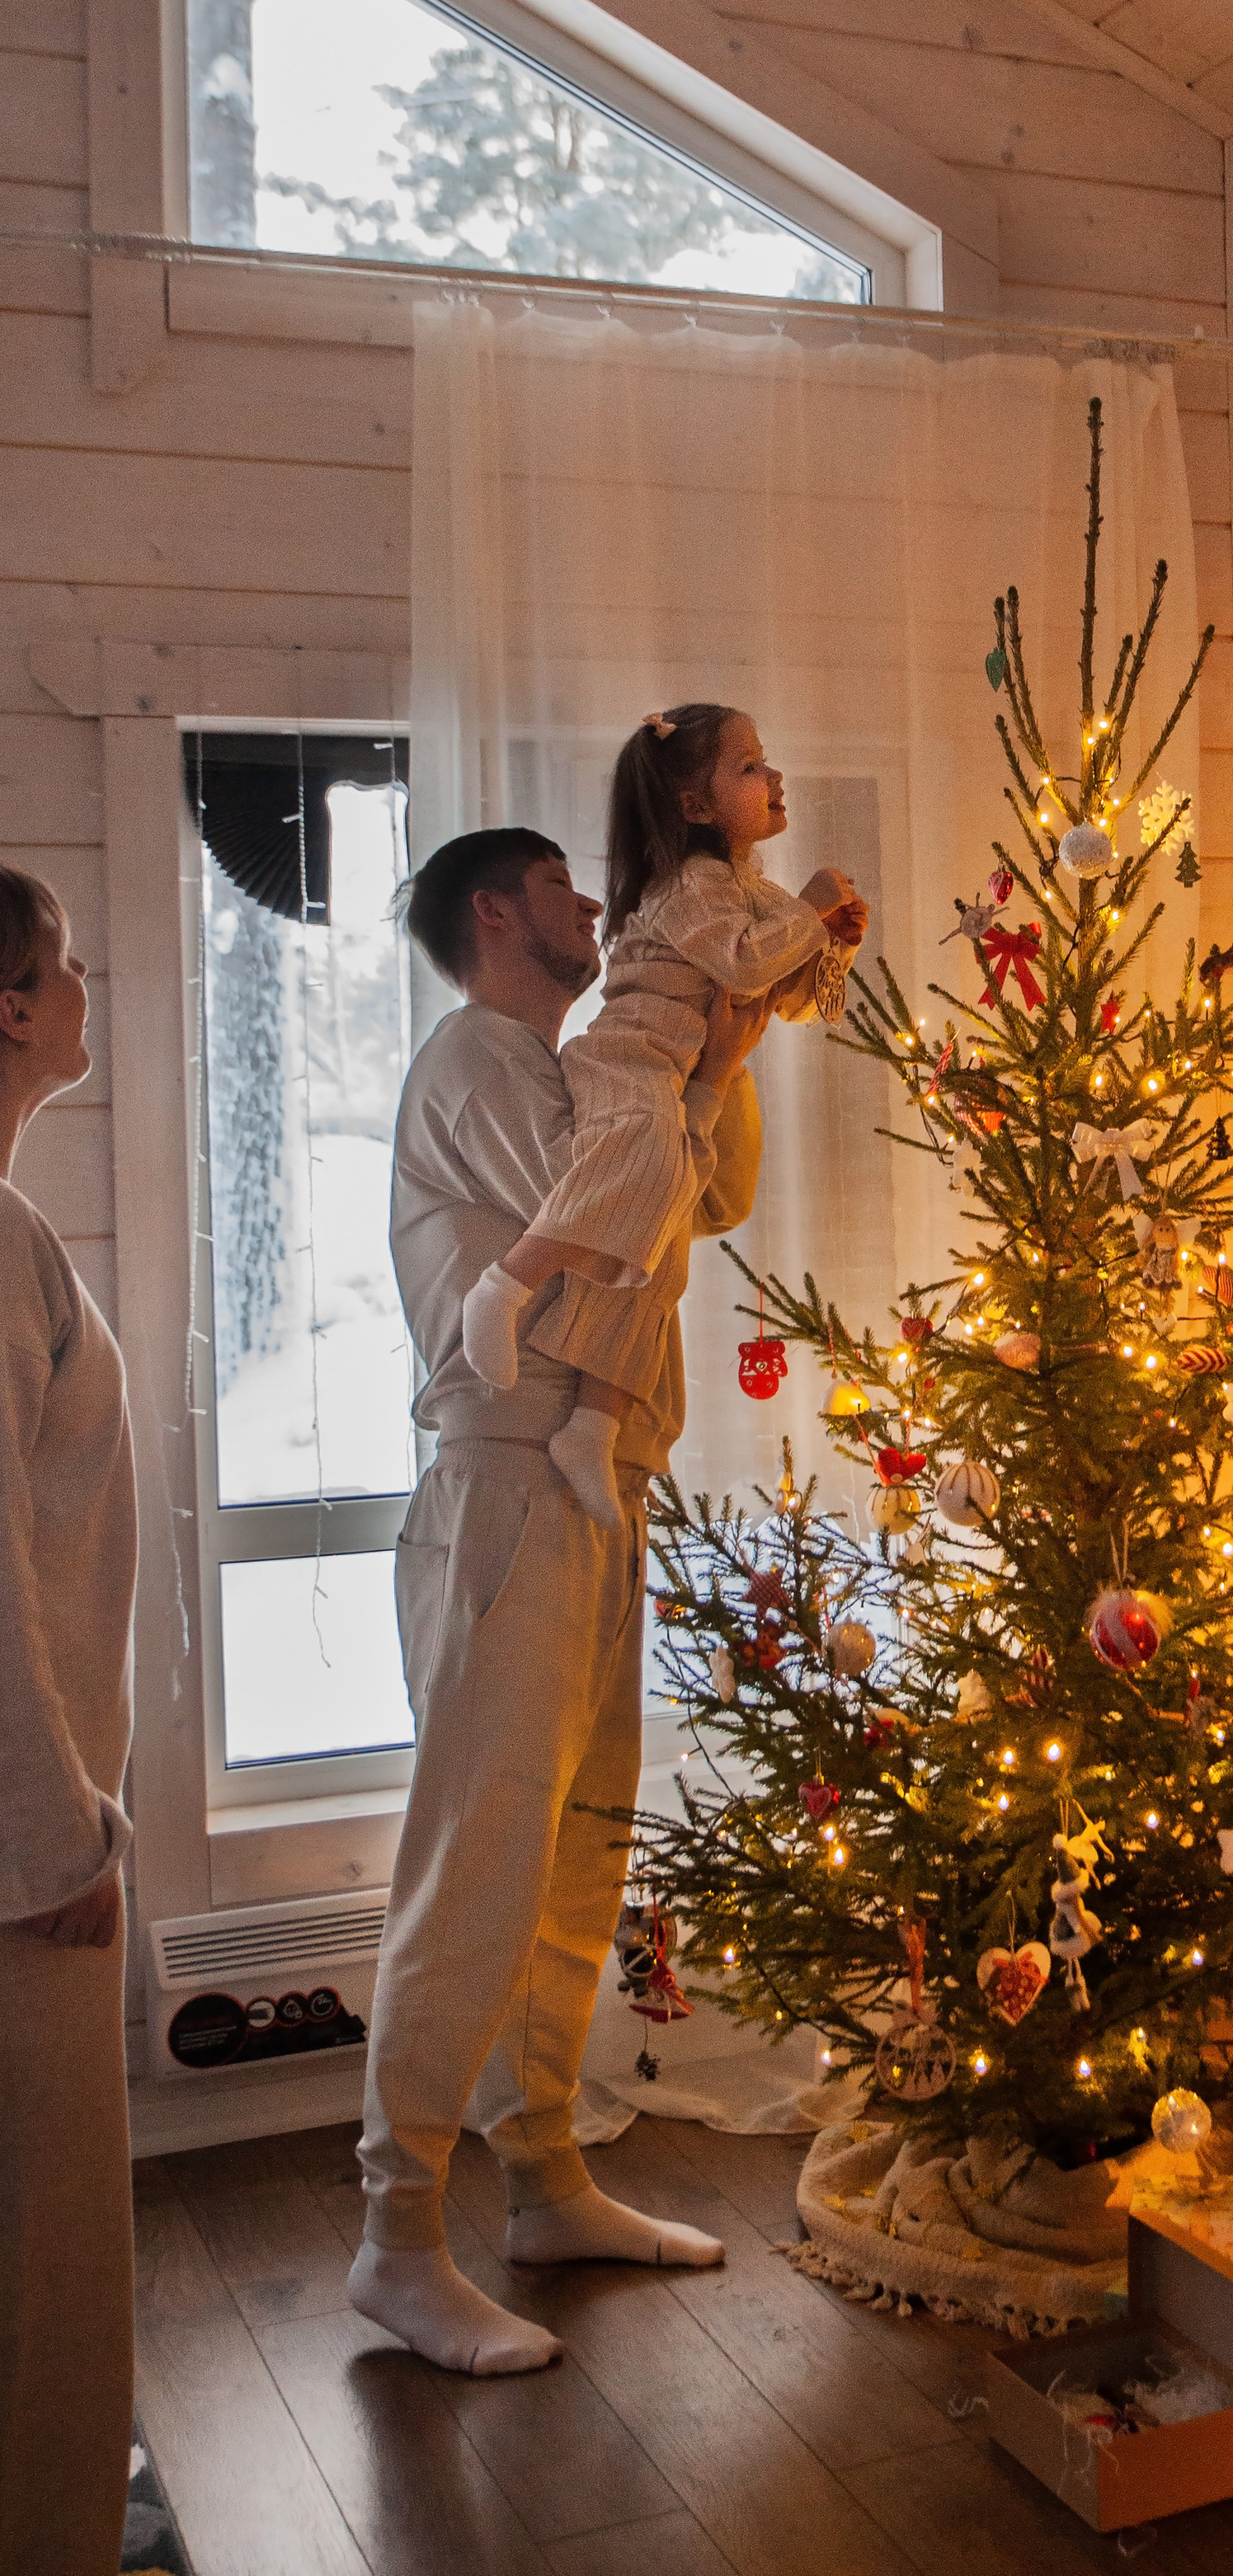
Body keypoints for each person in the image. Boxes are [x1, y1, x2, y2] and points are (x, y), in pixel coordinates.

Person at [348, 825, 774, 2375]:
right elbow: (625, 1200)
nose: (594, 910)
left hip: (597, 1488)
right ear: (495, 911)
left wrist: (725, 1047)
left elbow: (705, 1193)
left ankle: (544, 2178)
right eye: (564, 891)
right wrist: (707, 1040)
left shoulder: (588, 1072)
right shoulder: (476, 1057)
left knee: (578, 1849)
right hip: (508, 1496)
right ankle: (396, 2236)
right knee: (475, 1862)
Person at [460, 708, 867, 1528]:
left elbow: (789, 1002)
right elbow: (744, 961)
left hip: (681, 1080)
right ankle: (503, 1288)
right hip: (630, 1063)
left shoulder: (749, 891)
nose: (774, 777)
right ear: (693, 807)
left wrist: (833, 946)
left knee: (654, 1262)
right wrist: (809, 908)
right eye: (750, 767)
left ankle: (593, 1422)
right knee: (647, 1163)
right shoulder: (689, 888)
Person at [0, 868, 139, 2573]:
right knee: (46, 2276)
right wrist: (52, 1843)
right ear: (11, 1009)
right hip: (19, 1864)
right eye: (63, 966)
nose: (84, 982)